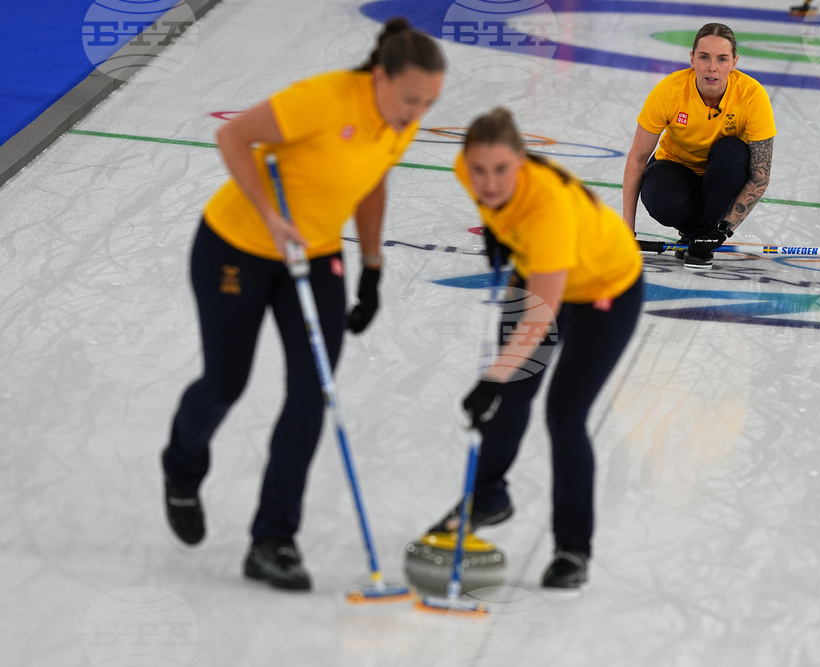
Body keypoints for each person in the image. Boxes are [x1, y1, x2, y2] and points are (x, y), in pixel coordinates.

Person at [160, 18, 445, 591]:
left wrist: (371, 266)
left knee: (314, 391)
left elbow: (371, 182)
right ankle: (182, 467)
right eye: (411, 98)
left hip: (312, 255)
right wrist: (268, 214)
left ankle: (272, 540)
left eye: (429, 103)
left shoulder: (399, 120)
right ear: (379, 77)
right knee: (225, 384)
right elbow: (233, 136)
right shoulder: (323, 99)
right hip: (236, 247)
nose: (417, 112)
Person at [428, 108, 644, 590]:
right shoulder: (469, 170)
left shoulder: (547, 208)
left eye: (501, 170)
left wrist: (490, 379)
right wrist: (498, 232)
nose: (488, 182)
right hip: (542, 270)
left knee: (563, 415)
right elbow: (498, 206)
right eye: (480, 170)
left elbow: (541, 315)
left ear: (521, 161)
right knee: (513, 394)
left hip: (604, 290)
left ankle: (573, 548)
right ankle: (486, 497)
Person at [622, 23, 776, 269]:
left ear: (734, 62)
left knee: (732, 151)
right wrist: (626, 227)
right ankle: (696, 233)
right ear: (692, 59)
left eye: (722, 59)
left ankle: (702, 234)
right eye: (704, 57)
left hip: (723, 177)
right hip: (676, 167)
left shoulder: (752, 96)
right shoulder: (669, 91)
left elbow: (760, 176)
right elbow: (638, 158)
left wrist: (723, 231)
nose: (712, 68)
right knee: (660, 197)